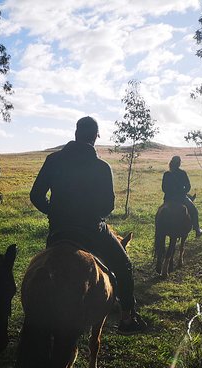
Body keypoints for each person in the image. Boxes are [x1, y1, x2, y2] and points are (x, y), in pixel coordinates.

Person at [30, 116, 146, 334]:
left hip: (59, 230)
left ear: (75, 134)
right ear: (95, 137)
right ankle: (127, 318)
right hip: (92, 230)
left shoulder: (53, 160)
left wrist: (54, 212)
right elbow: (108, 206)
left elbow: (36, 195)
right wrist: (91, 214)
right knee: (124, 265)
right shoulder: (101, 166)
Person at [161, 155, 202, 237]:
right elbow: (188, 186)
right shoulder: (182, 173)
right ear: (179, 163)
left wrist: (171, 193)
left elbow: (164, 188)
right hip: (181, 198)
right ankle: (197, 228)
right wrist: (182, 192)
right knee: (193, 209)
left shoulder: (166, 174)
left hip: (168, 199)